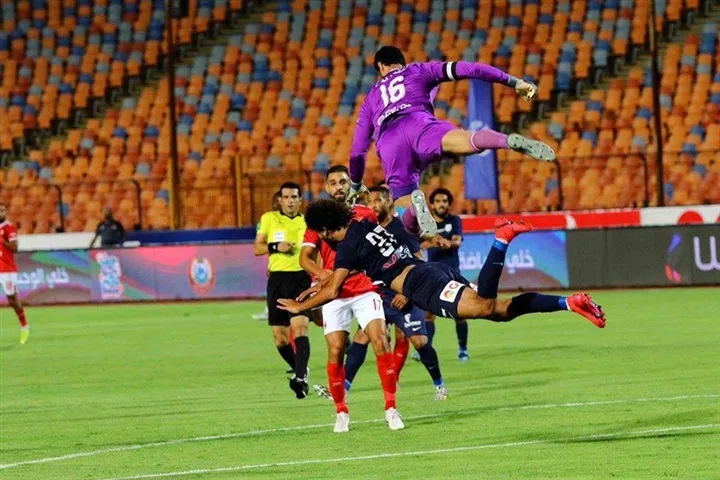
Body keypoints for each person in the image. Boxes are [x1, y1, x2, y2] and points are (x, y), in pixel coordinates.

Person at [278, 200, 606, 332]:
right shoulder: (362, 224)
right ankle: (568, 302)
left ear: (324, 230)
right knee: (501, 311)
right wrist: (317, 287)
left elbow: (336, 288)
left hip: (421, 285)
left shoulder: (347, 246)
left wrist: (300, 306)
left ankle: (501, 240)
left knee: (485, 305)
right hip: (431, 271)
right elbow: (339, 277)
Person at [348, 46, 555, 238]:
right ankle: (507, 140)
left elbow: (357, 151)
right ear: (402, 61)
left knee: (408, 217)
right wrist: (515, 82)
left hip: (389, 143)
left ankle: (416, 208)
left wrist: (356, 184)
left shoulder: (370, 98)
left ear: (381, 66)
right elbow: (472, 69)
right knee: (471, 140)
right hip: (419, 124)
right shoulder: (419, 69)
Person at [298, 166, 403, 432]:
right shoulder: (318, 219)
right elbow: (304, 258)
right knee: (335, 349)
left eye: (343, 182)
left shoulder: (366, 214)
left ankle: (391, 408)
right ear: (326, 188)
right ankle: (341, 411)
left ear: (351, 185)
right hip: (334, 292)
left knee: (381, 339)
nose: (338, 187)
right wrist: (324, 275)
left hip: (365, 287)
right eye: (333, 183)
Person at [359, 186, 447, 400]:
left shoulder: (401, 228)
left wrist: (407, 292)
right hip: (379, 293)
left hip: (403, 290)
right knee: (362, 338)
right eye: (370, 202)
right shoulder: (366, 229)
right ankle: (344, 389)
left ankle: (439, 385)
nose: (373, 205)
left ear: (388, 201)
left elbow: (418, 259)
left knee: (418, 341)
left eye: (378, 200)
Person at [253, 182, 313, 399]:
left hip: (300, 278)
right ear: (280, 200)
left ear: (300, 200)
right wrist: (275, 247)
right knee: (280, 338)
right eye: (286, 197)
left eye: (294, 197)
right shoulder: (268, 219)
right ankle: (300, 368)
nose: (290, 201)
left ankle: (300, 378)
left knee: (300, 329)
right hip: (277, 280)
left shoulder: (308, 222)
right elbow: (257, 248)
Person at [421, 188, 469, 362]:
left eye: (445, 201)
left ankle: (463, 349)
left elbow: (457, 241)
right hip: (432, 273)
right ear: (432, 205)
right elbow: (420, 244)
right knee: (429, 314)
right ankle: (426, 349)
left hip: (452, 272)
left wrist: (444, 243)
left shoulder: (454, 220)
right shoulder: (427, 224)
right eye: (438, 201)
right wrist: (439, 243)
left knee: (459, 313)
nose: (442, 204)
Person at [0, 204, 29, 344]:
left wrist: (2, 241)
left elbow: (15, 247)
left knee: (12, 300)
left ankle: (24, 326)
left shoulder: (9, 227)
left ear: (5, 212)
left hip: (7, 269)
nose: (0, 213)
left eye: (2, 210)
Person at [252, 191, 282, 322]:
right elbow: (262, 245)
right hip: (277, 261)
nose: (277, 205)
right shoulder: (268, 221)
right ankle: (269, 310)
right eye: (275, 202)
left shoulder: (298, 221)